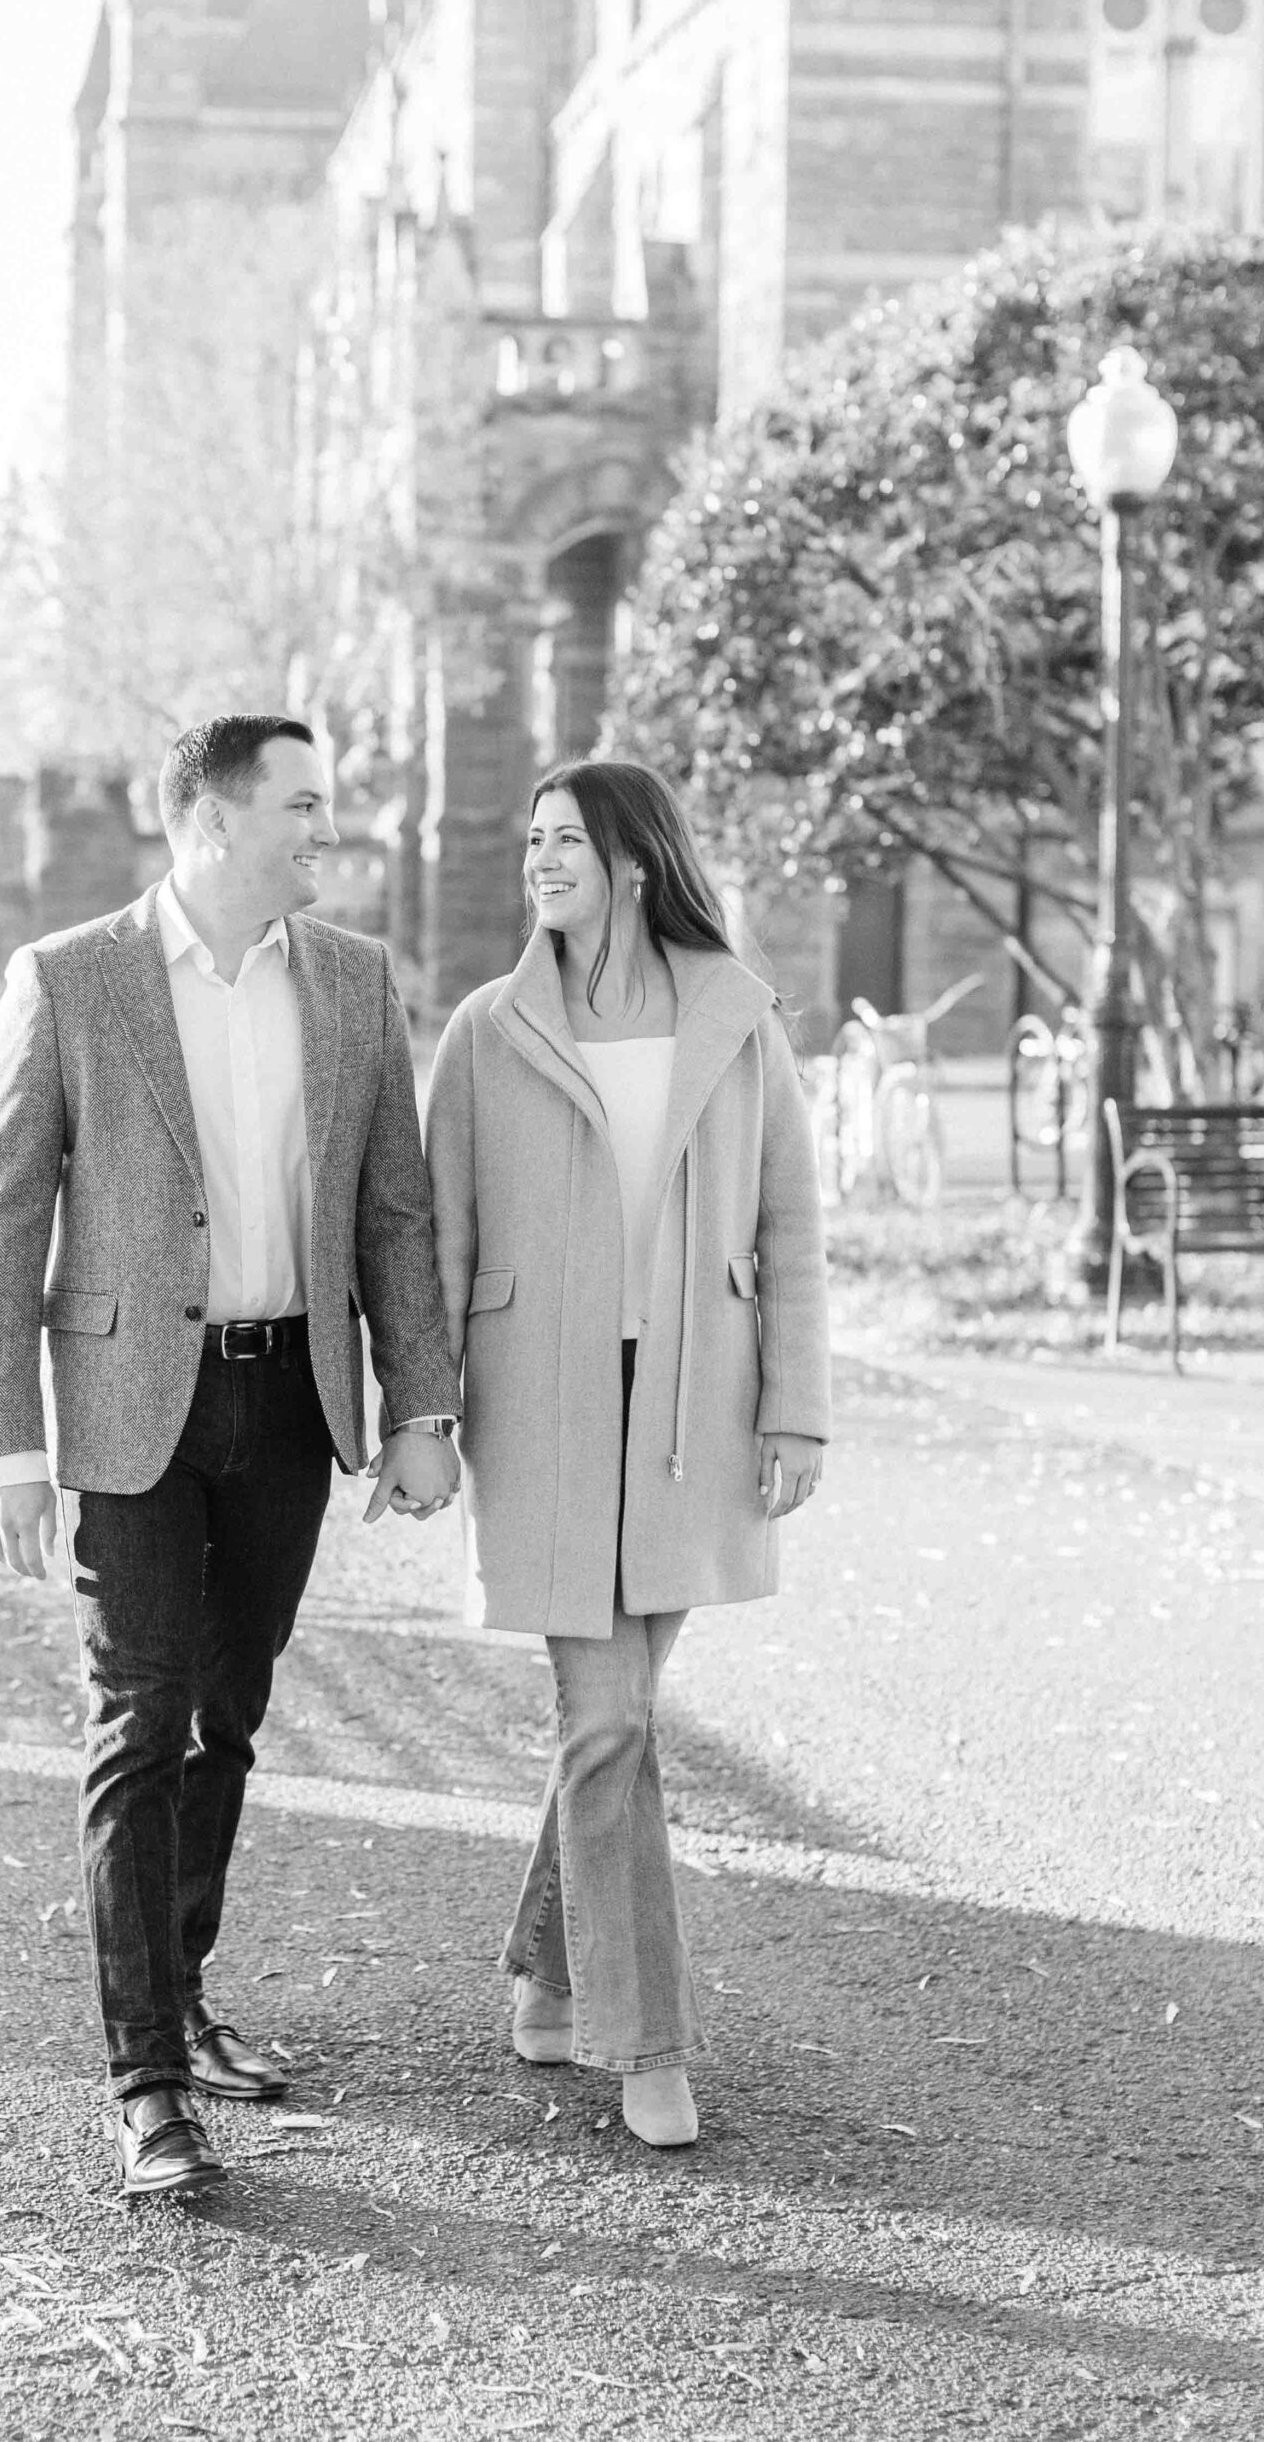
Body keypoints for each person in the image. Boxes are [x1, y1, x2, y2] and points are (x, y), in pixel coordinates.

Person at [0, 715, 460, 2199]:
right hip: (132, 1410)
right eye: (304, 803)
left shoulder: (357, 982)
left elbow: (395, 1214)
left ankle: (178, 1991)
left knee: (227, 1719)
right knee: (139, 1721)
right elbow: (0, 1220)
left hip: (291, 1399)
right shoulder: (71, 978)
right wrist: (5, 1443)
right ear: (214, 818)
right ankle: (148, 2085)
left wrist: (421, 1408)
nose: (330, 825)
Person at [423, 759, 830, 2148]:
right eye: (529, 838)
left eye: (566, 841)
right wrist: (421, 1414)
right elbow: (439, 1246)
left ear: (635, 861)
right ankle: (645, 2044)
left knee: (620, 1721)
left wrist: (796, 1408)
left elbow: (790, 1235)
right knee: (609, 1723)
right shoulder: (486, 1031)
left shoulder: (735, 1019)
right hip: (539, 1405)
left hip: (691, 1411)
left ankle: (545, 1966)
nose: (540, 860)